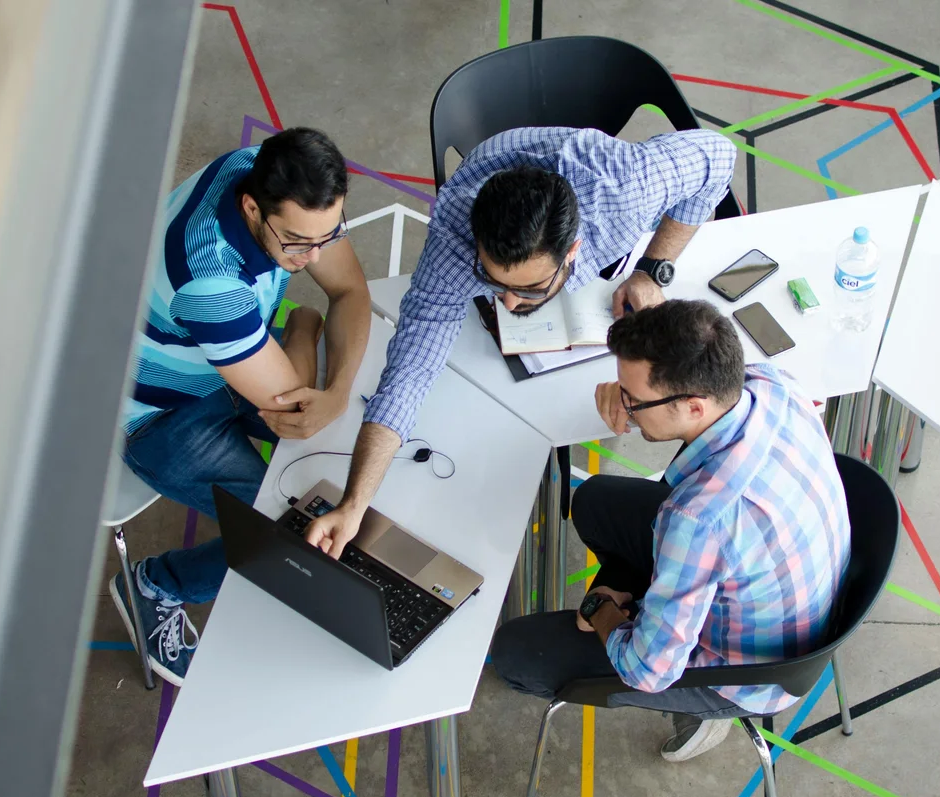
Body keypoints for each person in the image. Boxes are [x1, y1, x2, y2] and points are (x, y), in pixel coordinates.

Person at [303, 126, 737, 559]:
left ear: (573, 252)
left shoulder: (625, 190)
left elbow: (719, 156)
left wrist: (653, 267)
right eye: (493, 281)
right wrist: (354, 503)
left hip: (594, 175)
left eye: (529, 290)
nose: (508, 304)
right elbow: (409, 370)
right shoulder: (455, 236)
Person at [489, 299, 852, 762]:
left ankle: (702, 714)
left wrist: (602, 608)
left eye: (633, 400)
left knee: (516, 652)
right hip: (793, 593)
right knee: (595, 501)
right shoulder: (770, 384)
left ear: (694, 406)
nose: (625, 406)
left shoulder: (698, 518)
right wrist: (625, 392)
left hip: (746, 672)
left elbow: (647, 669)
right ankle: (647, 602)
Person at [111, 127, 372, 685]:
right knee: (283, 535)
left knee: (339, 451)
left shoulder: (267, 172)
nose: (315, 255)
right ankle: (156, 584)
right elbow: (296, 410)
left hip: (225, 359)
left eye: (330, 235)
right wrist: (304, 329)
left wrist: (339, 390)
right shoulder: (211, 283)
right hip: (158, 415)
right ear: (252, 208)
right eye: (299, 243)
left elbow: (350, 291)